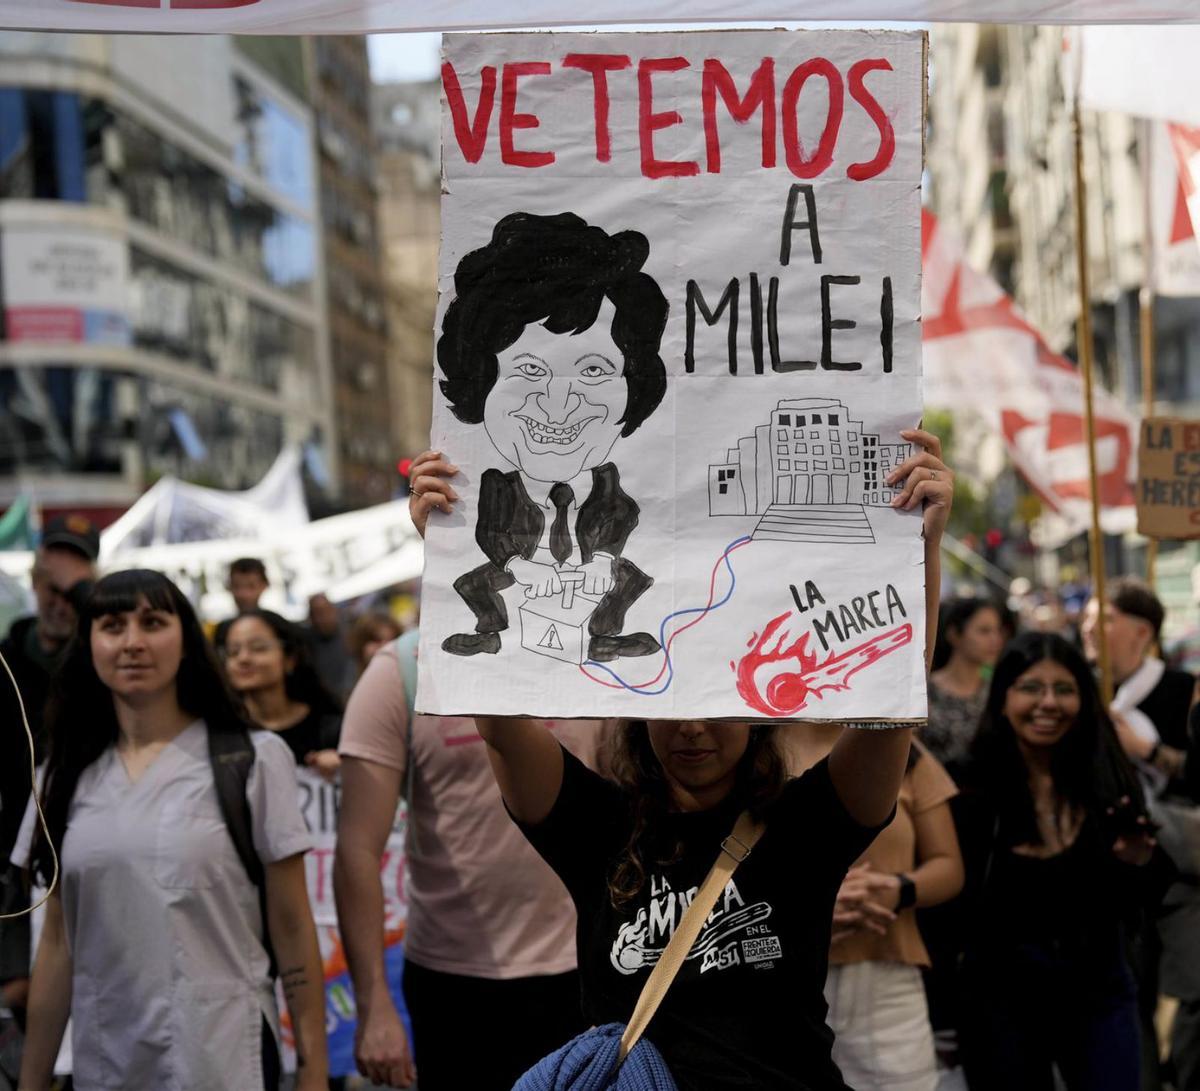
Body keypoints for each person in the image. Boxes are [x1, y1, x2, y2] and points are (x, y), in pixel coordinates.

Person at [415, 428, 953, 1090]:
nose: (692, 728)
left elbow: (893, 699)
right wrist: (445, 547)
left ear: (757, 715)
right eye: (672, 707)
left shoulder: (805, 828)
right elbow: (497, 719)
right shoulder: (599, 827)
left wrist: (920, 545)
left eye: (714, 705)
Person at [14, 569, 327, 1090]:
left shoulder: (251, 759)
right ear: (89, 644)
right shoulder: (60, 775)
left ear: (185, 641)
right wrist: (31, 1081)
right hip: (105, 1062)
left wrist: (314, 1071)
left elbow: (293, 925)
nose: (133, 642)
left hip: (229, 1056)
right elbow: (57, 944)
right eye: (112, 625)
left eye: (153, 622)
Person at [333, 637, 612, 1091]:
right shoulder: (401, 671)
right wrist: (373, 1005)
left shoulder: (594, 652)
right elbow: (357, 850)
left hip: (584, 972)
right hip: (452, 986)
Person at [434, 211, 668, 662]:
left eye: (595, 371)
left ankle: (605, 635)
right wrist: (456, 539)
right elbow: (490, 531)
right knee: (474, 583)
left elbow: (621, 516)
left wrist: (601, 562)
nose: (558, 404)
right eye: (529, 369)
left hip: (586, 583)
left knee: (628, 576)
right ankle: (490, 632)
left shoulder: (610, 486)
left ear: (633, 388)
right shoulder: (494, 487)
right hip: (519, 578)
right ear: (481, 382)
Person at [954, 631, 1172, 1091]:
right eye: (1031, 687)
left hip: (1100, 988)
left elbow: (1150, 895)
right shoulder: (969, 788)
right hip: (1000, 998)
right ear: (1004, 696)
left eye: (1064, 689)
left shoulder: (1107, 777)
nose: (1048, 703)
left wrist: (1138, 861)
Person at [789, 729, 963, 1091]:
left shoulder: (897, 743)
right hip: (775, 978)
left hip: (886, 978)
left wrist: (897, 891)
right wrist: (808, 907)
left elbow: (949, 866)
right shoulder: (752, 741)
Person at [1082, 576, 1197, 1089]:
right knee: (1126, 998)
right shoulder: (1076, 688)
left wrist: (1145, 751)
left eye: (1105, 617)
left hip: (1183, 875)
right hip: (1112, 873)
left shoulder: (1181, 690)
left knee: (1191, 998)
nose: (1089, 626)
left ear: (1142, 630)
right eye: (1088, 615)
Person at [0, 514, 98, 1037]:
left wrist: (86, 592)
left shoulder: (101, 664)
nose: (60, 602)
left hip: (83, 850)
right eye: (51, 587)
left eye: (73, 591)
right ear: (34, 585)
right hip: (14, 862)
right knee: (22, 992)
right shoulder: (6, 661)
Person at [220, 608, 343, 781]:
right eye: (233, 652)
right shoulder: (221, 733)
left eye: (258, 648)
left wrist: (345, 767)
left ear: (289, 659)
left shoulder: (331, 728)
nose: (243, 658)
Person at [922, 596, 1005, 779]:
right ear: (954, 635)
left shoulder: (997, 689)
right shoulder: (924, 691)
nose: (995, 640)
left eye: (997, 631)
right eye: (984, 631)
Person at [304, 593, 357, 702]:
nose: (324, 618)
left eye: (327, 611)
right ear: (311, 618)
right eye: (318, 613)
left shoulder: (349, 633)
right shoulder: (307, 644)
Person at [213, 557, 271, 649]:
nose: (243, 594)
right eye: (237, 586)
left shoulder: (276, 626)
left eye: (251, 586)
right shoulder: (222, 631)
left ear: (264, 586)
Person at [346, 611, 402, 675]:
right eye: (377, 640)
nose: (386, 647)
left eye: (392, 641)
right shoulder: (352, 680)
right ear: (361, 645)